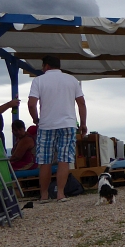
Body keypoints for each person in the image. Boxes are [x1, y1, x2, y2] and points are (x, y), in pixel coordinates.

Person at [28, 56, 87, 203]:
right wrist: (83, 124)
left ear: (46, 66)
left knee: (45, 161)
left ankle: (44, 195)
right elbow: (81, 104)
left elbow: (31, 104)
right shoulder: (71, 80)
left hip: (46, 125)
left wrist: (36, 119)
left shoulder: (39, 80)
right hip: (68, 124)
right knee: (64, 159)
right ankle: (60, 193)